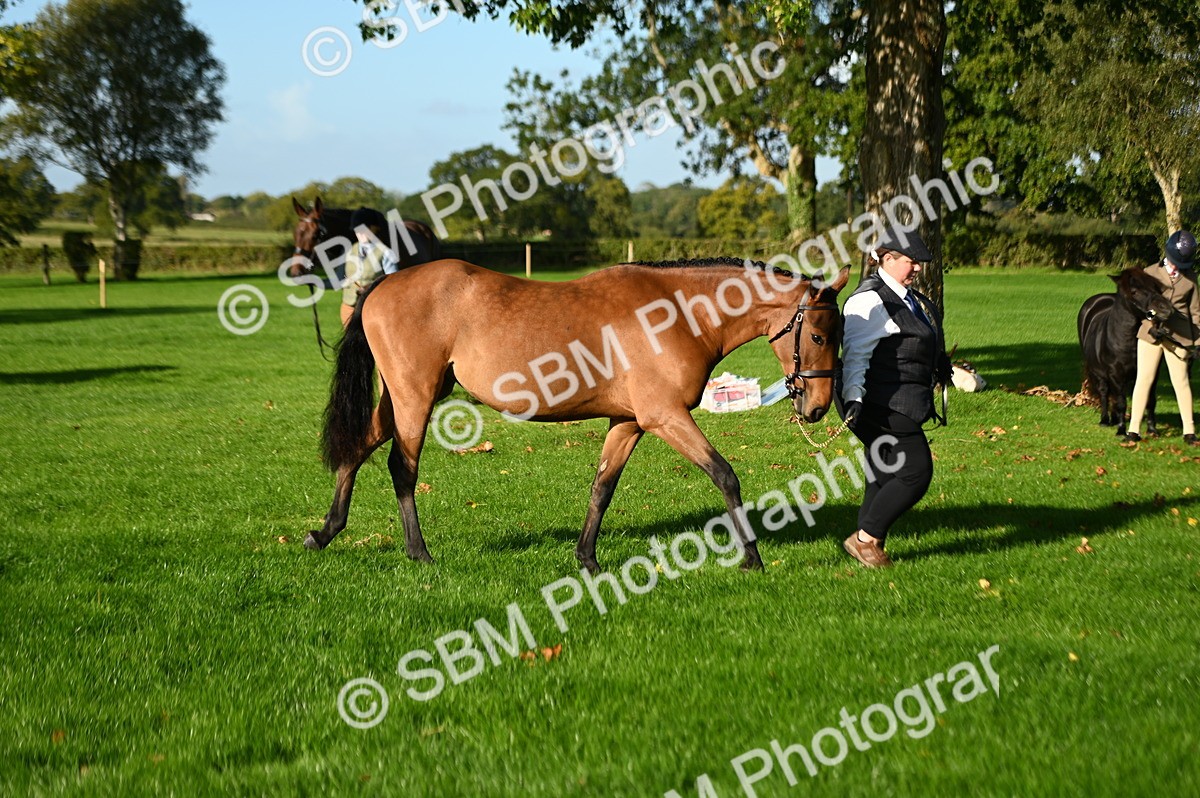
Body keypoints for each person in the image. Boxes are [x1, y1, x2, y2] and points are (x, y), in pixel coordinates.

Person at [838, 227, 951, 568]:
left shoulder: (906, 297)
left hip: (897, 400)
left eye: (918, 262)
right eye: (910, 261)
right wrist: (854, 399)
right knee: (916, 472)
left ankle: (869, 544)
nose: (917, 267)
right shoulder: (869, 300)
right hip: (879, 404)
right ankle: (864, 539)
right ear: (887, 259)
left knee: (884, 472)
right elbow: (855, 357)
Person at [1126, 230, 1200, 445]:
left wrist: (1198, 342)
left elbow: (1195, 312)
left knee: (1181, 382)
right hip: (1151, 335)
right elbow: (1142, 307)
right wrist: (1150, 324)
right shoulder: (1149, 273)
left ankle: (1189, 431)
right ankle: (1133, 429)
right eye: (1175, 262)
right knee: (1144, 379)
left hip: (1179, 336)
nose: (1177, 268)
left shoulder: (1191, 278)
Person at [340, 207, 399, 328]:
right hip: (349, 308)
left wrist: (371, 287)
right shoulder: (349, 250)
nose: (360, 233)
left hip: (373, 307)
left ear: (374, 228)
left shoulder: (386, 253)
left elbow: (394, 282)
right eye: (357, 229)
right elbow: (339, 278)